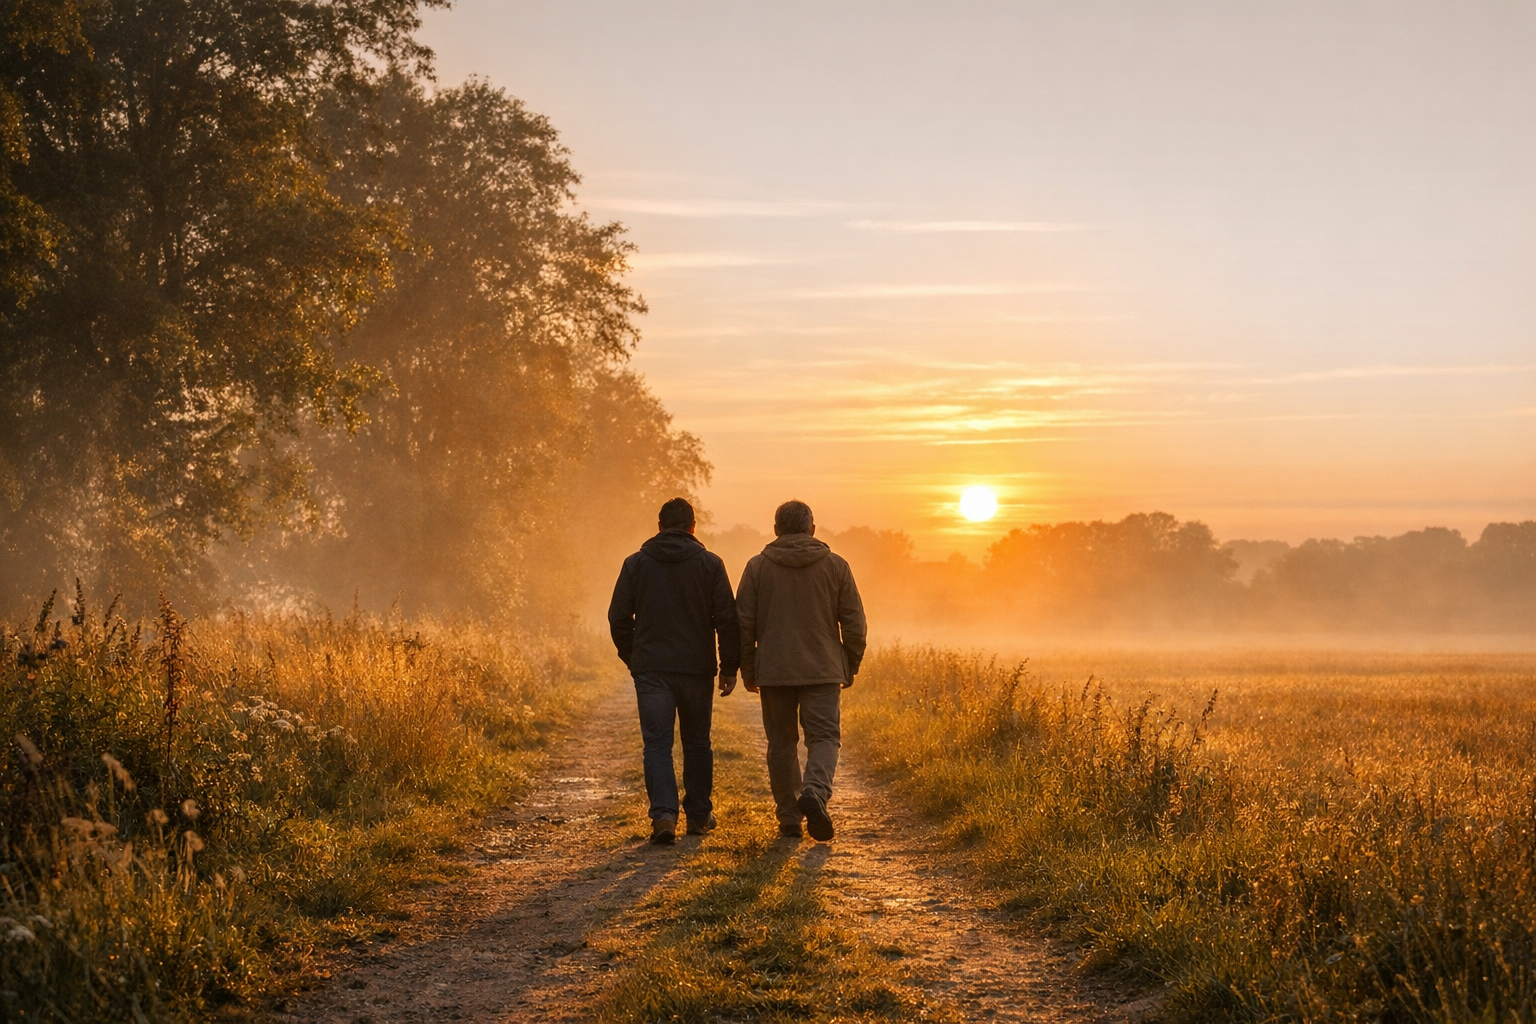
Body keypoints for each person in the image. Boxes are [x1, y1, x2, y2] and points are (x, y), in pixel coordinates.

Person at [608, 498, 740, 844]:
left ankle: (664, 817)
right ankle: (698, 817)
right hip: (696, 669)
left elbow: (619, 619)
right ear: (693, 527)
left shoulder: (635, 565)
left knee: (657, 744)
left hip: (652, 669)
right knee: (697, 743)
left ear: (659, 526)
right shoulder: (710, 565)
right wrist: (729, 667)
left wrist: (635, 657)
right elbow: (727, 620)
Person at [737, 499, 866, 841]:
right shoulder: (836, 567)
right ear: (812, 528)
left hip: (775, 671)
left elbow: (743, 625)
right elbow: (854, 624)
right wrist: (848, 664)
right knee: (824, 738)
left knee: (781, 743)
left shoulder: (757, 568)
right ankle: (816, 792)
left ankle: (790, 818)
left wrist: (748, 670)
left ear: (776, 529)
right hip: (824, 670)